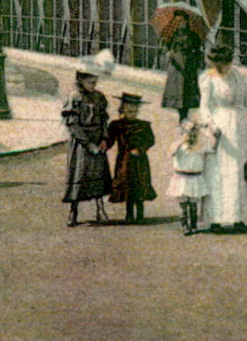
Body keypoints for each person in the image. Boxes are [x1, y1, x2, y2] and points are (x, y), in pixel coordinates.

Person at [196, 40, 247, 232]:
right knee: (218, 172)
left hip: (242, 126)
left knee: (238, 171)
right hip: (220, 127)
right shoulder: (208, 78)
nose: (221, 68)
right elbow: (204, 105)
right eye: (217, 64)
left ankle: (238, 217)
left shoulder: (242, 77)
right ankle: (216, 219)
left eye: (224, 64)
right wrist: (210, 124)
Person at [60, 70, 111, 225]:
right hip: (81, 143)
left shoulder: (99, 97)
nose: (93, 85)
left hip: (97, 139)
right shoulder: (74, 97)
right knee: (79, 174)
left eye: (95, 82)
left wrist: (104, 139)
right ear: (81, 81)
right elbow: (72, 124)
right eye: (90, 82)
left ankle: (100, 210)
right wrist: (88, 144)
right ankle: (73, 212)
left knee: (98, 175)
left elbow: (103, 120)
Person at [104, 91, 157, 225]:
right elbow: (110, 139)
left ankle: (140, 213)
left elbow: (150, 140)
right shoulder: (117, 125)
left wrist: (140, 149)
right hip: (124, 161)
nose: (131, 114)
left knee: (140, 184)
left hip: (140, 161)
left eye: (134, 112)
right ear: (123, 110)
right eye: (128, 111)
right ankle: (129, 213)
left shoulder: (144, 125)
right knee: (127, 184)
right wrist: (103, 145)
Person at [166, 118, 213, 234]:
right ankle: (184, 224)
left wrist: (213, 135)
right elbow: (171, 153)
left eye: (193, 131)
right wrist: (180, 141)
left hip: (195, 177)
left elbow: (212, 148)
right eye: (188, 131)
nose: (191, 134)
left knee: (193, 202)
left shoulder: (200, 144)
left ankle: (193, 224)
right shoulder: (179, 145)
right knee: (183, 201)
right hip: (182, 177)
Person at [160, 11, 203, 123]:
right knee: (177, 89)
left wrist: (195, 59)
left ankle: (185, 114)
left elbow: (198, 50)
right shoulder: (171, 35)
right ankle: (181, 114)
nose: (179, 23)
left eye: (181, 21)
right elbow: (166, 48)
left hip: (189, 65)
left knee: (187, 90)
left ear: (186, 21)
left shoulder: (193, 35)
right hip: (176, 66)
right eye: (176, 21)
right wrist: (168, 52)